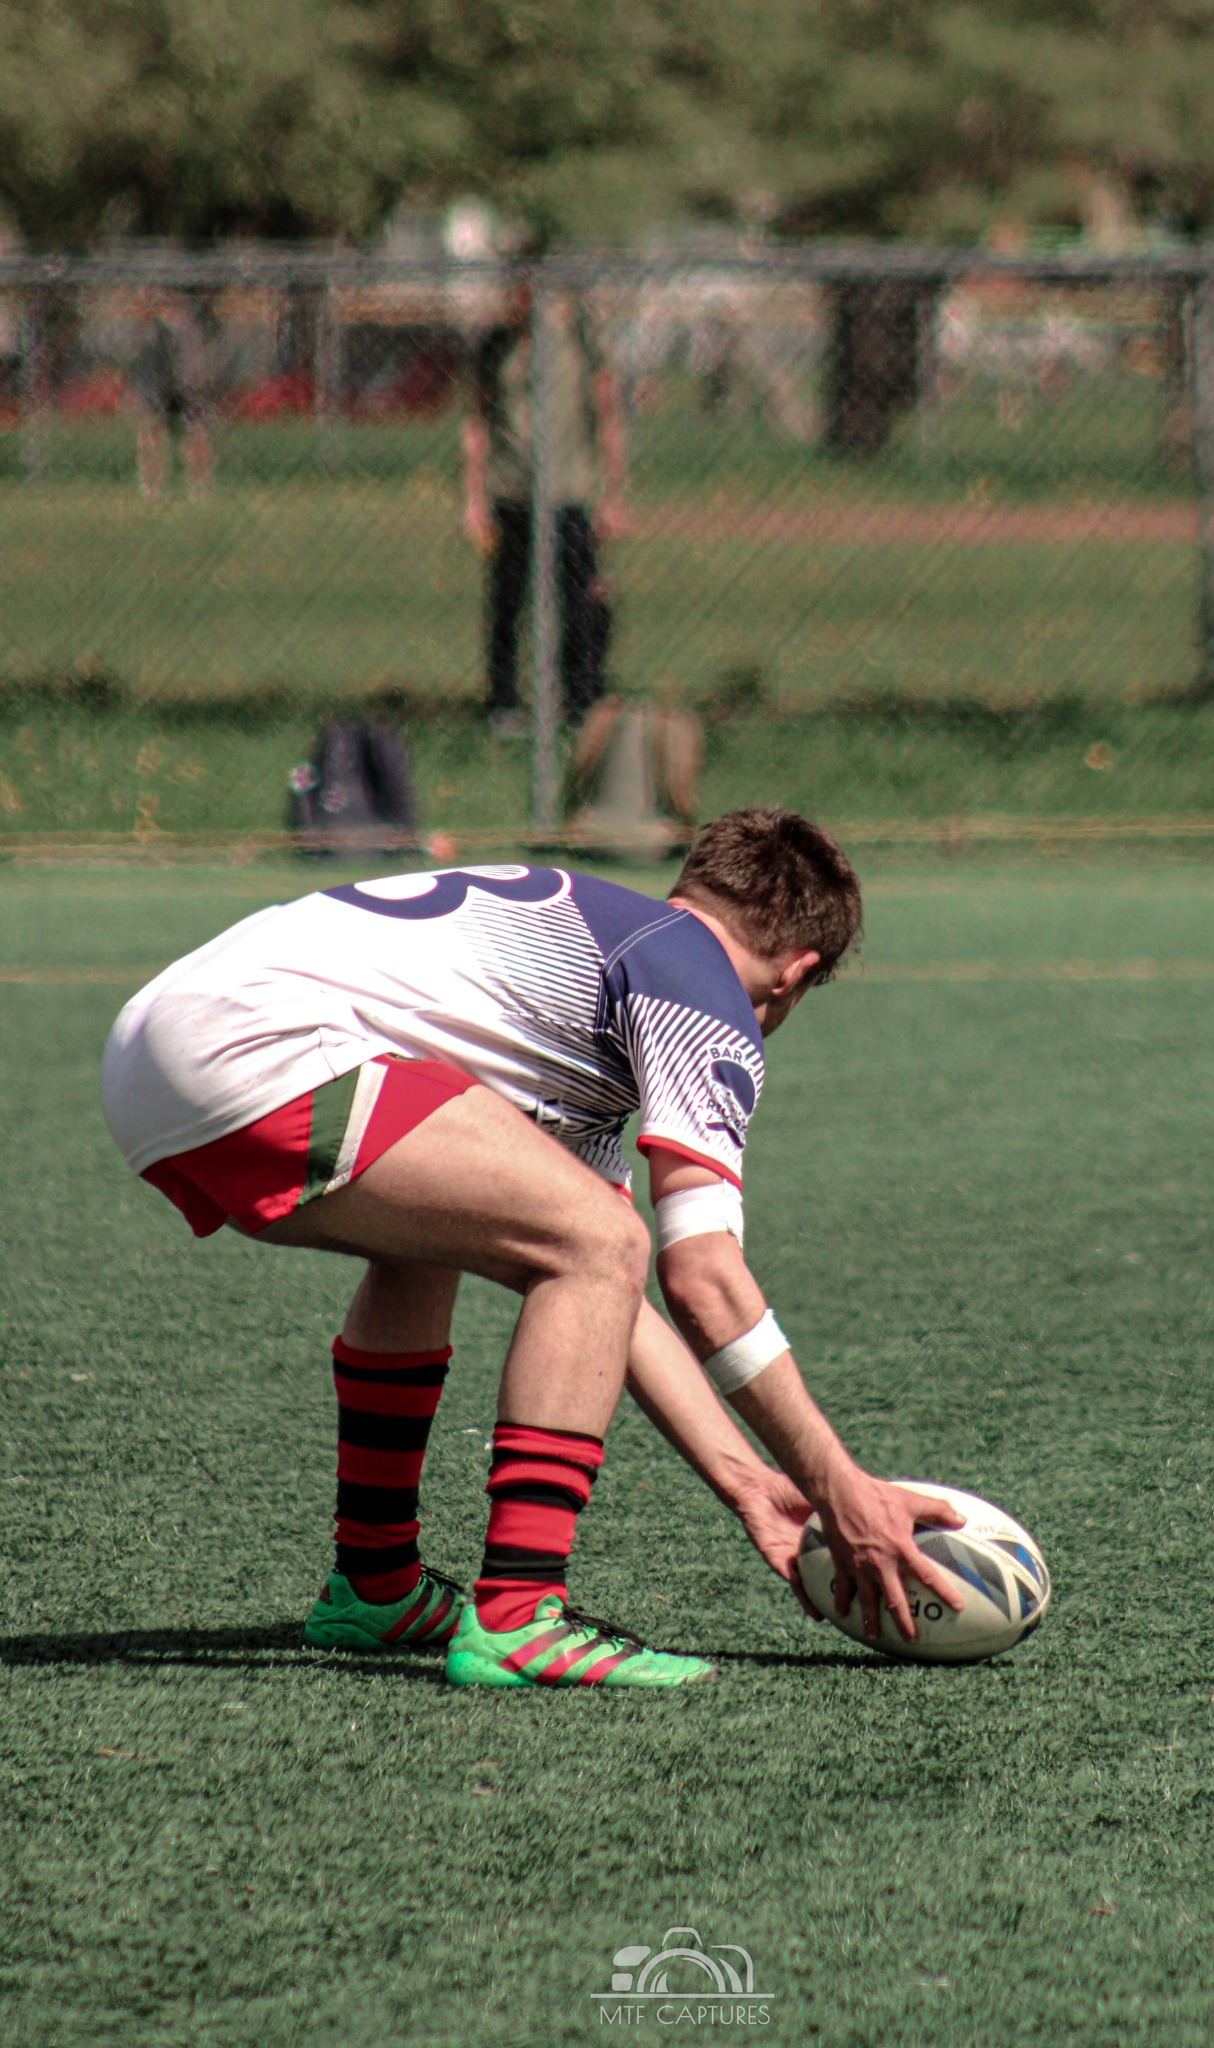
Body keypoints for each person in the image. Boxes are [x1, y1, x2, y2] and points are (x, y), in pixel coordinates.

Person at [100, 808, 965, 1690]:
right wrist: (836, 1483)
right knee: (599, 1240)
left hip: (155, 1047)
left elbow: (609, 1303)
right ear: (796, 973)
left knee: (481, 1238)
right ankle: (519, 1613)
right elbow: (695, 1278)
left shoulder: (598, 960)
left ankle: (376, 1583)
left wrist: (748, 1483)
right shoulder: (698, 988)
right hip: (261, 1046)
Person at [462, 276, 627, 735]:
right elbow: (478, 422)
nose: (522, 302)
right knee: (508, 603)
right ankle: (504, 703)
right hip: (511, 493)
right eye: (515, 291)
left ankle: (582, 699)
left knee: (583, 601)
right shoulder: (495, 346)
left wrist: (612, 494)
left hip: (568, 493)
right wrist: (473, 497)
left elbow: (608, 417)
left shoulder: (578, 342)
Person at [130, 290, 214, 502]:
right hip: (157, 387)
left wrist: (194, 385)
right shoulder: (149, 329)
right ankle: (150, 485)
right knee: (151, 431)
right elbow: (141, 362)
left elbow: (196, 363)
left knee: (196, 434)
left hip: (186, 387)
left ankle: (200, 486)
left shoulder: (190, 329)